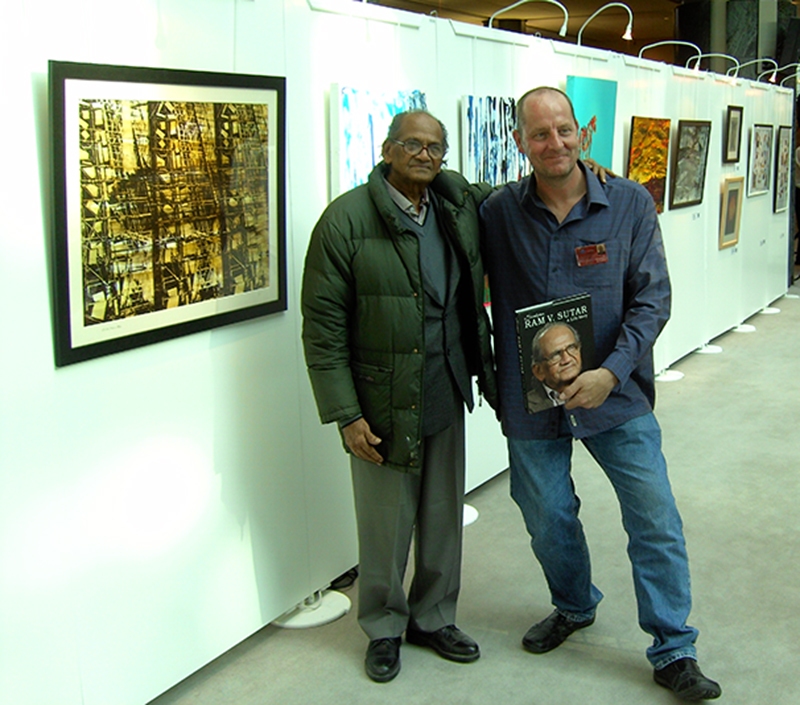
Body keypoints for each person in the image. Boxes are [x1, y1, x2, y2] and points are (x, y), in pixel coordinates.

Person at [480, 87, 721, 701]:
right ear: (519, 142)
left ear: (582, 134)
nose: (554, 143)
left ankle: (674, 647)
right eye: (539, 134)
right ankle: (574, 604)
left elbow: (653, 299)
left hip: (616, 395)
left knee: (654, 516)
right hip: (533, 400)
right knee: (546, 516)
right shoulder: (498, 211)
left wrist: (610, 372)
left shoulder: (630, 203)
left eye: (564, 130)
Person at [301, 110, 497, 683]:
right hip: (381, 402)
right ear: (387, 149)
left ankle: (433, 618)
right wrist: (346, 414)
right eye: (412, 144)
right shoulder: (344, 221)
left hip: (446, 386)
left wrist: (582, 169)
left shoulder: (454, 205)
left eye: (435, 147)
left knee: (442, 516)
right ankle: (384, 627)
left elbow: (511, 195)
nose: (424, 155)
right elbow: (323, 328)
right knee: (385, 525)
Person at [530, 322, 583, 409]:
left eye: (571, 348)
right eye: (555, 355)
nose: (567, 360)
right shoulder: (527, 406)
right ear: (538, 371)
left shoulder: (596, 387)